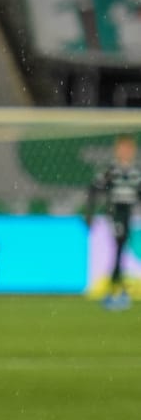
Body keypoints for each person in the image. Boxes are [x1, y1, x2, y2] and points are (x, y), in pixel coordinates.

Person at [87, 133, 140, 310]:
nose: (125, 152)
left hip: (128, 213)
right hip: (115, 212)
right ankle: (115, 289)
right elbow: (94, 188)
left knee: (121, 247)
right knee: (119, 244)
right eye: (122, 148)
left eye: (128, 148)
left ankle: (116, 288)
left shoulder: (136, 171)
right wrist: (90, 213)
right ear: (117, 150)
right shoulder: (111, 170)